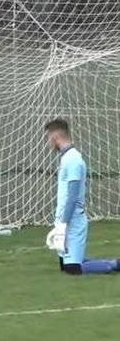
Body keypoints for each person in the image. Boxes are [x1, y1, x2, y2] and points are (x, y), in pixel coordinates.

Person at [44, 118, 120, 275]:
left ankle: (116, 264)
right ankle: (113, 263)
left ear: (55, 138)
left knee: (73, 269)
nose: (48, 143)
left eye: (48, 139)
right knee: (66, 266)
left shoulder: (73, 160)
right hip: (66, 218)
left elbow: (72, 195)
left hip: (73, 220)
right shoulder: (67, 158)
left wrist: (64, 223)